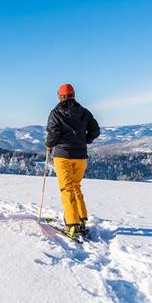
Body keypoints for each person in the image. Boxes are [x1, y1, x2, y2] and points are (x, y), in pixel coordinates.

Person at [45, 83, 100, 238]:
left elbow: (53, 134)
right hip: (81, 156)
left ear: (60, 96)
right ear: (73, 95)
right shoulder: (84, 112)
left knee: (66, 188)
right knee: (76, 187)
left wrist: (48, 145)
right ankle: (81, 220)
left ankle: (72, 225)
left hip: (63, 156)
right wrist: (85, 140)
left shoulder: (56, 113)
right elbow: (95, 131)